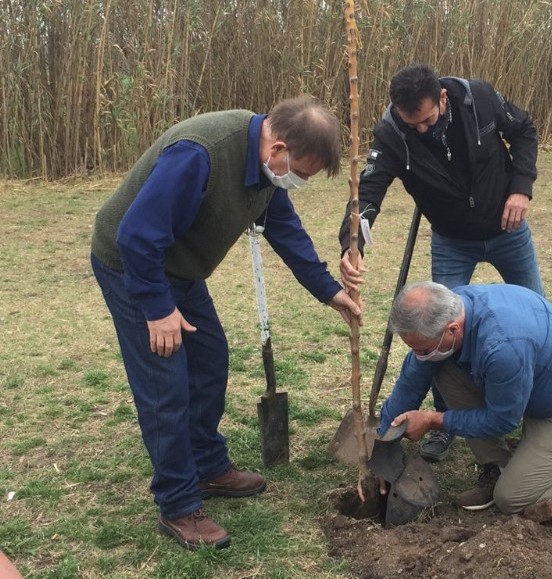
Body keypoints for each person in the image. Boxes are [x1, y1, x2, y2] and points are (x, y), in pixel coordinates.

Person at [90, 96, 362, 550]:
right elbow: (136, 236)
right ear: (277, 148)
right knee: (166, 382)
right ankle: (178, 505)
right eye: (303, 173)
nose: (300, 182)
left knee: (210, 358)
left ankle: (207, 465)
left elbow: (284, 228)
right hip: (132, 266)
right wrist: (157, 309)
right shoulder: (200, 153)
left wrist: (328, 290)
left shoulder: (265, 171)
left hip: (181, 269)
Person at [338, 64, 544, 463]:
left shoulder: (478, 98)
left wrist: (521, 188)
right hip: (452, 239)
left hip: (507, 228)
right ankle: (441, 422)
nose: (420, 130)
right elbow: (369, 190)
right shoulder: (392, 133)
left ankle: (538, 418)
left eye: (427, 120)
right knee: (434, 335)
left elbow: (524, 131)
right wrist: (353, 243)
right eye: (410, 122)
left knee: (534, 317)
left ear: (442, 100)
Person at [377, 281, 552, 513]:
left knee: (511, 498)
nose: (419, 356)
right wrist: (382, 449)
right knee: (443, 369)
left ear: (452, 329)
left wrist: (435, 420)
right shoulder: (453, 306)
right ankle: (498, 466)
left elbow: (503, 420)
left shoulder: (502, 346)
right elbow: (412, 382)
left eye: (423, 349)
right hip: (535, 392)